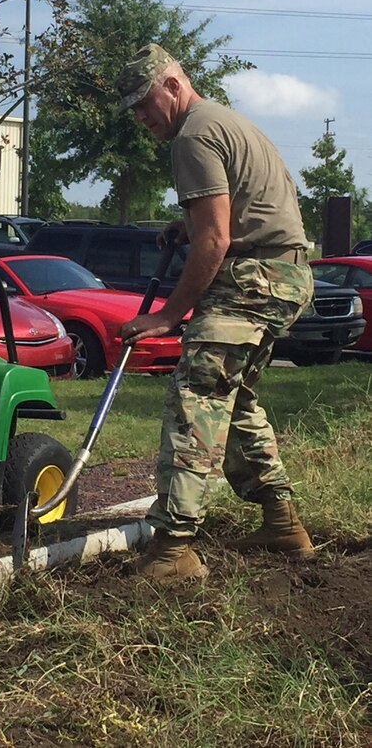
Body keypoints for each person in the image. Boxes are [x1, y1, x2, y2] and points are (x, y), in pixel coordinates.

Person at [115, 43, 315, 583]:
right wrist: (185, 227)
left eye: (143, 101)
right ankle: (282, 522)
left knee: (196, 395)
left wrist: (167, 315)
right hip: (282, 275)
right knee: (232, 398)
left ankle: (172, 549)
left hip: (255, 279)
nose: (140, 116)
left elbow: (217, 238)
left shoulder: (194, 135)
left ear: (173, 86)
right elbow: (242, 210)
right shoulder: (224, 121)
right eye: (132, 108)